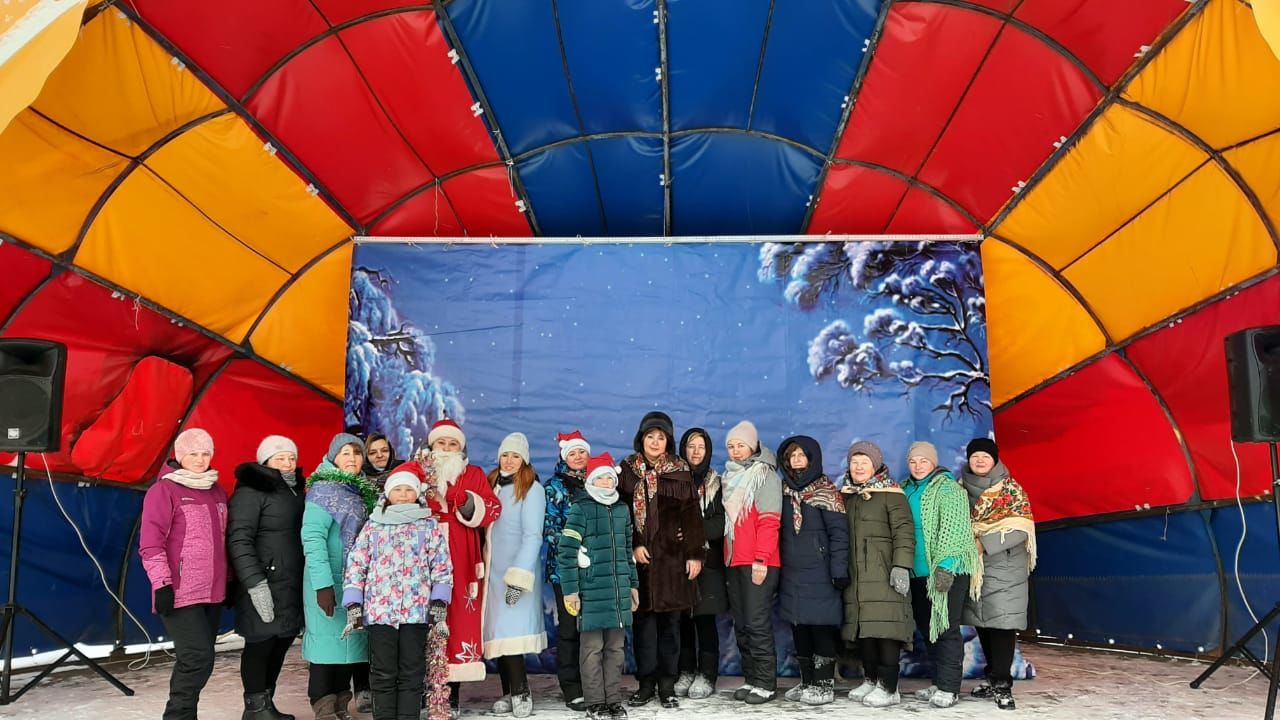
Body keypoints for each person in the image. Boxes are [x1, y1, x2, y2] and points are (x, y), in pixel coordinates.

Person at [342, 462, 453, 720]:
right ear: (388, 494)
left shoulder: (428, 526)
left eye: (408, 490)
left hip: (415, 613)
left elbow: (442, 567)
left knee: (412, 673)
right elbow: (357, 564)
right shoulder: (374, 526)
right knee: (382, 673)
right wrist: (354, 602)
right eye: (398, 489)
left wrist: (438, 603)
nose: (403, 495)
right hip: (381, 613)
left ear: (417, 493)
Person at [139, 428, 229, 720]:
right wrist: (162, 584)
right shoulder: (163, 490)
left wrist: (230, 581)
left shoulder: (216, 490)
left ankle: (184, 713)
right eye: (193, 454)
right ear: (180, 456)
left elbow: (222, 540)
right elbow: (151, 544)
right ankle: (177, 716)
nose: (200, 460)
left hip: (212, 590)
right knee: (195, 657)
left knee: (202, 659)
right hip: (179, 591)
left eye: (205, 453)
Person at [617, 411, 705, 708]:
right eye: (650, 436)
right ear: (641, 438)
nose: (655, 442)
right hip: (642, 563)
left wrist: (694, 554)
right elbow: (620, 514)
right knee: (644, 629)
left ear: (668, 441)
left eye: (661, 437)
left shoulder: (680, 470)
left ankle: (667, 685)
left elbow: (692, 515)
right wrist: (633, 545)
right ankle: (645, 685)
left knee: (670, 628)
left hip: (672, 562)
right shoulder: (626, 471)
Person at [417, 418, 503, 717]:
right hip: (420, 556)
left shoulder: (474, 474)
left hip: (461, 557)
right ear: (432, 445)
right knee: (422, 619)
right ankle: (419, 691)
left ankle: (449, 695)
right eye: (442, 442)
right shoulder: (417, 471)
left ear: (461, 448)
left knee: (456, 620)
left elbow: (493, 509)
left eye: (453, 444)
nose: (447, 448)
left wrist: (466, 501)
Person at [228, 435, 307, 720]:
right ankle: (255, 708)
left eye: (291, 457)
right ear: (265, 461)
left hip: (290, 582)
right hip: (263, 582)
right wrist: (254, 583)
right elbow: (239, 540)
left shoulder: (296, 491)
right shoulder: (250, 492)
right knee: (260, 643)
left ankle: (266, 702)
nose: (287, 463)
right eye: (279, 458)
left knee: (281, 640)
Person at [301, 433, 378, 720]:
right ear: (333, 456)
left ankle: (340, 705)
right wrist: (323, 584)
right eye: (345, 452)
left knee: (349, 643)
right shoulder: (323, 491)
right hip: (329, 581)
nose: (352, 458)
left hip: (355, 582)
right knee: (326, 646)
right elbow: (312, 538)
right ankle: (323, 706)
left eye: (357, 453)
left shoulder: (358, 490)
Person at [558, 452, 639, 720]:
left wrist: (633, 586)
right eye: (600, 477)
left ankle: (613, 700)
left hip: (617, 593)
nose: (606, 482)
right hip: (591, 593)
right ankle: (595, 702)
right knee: (592, 649)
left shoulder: (622, 510)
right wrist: (571, 591)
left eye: (609, 477)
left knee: (615, 649)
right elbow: (566, 552)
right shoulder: (581, 508)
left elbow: (628, 551)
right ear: (591, 481)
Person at [960, 438, 1036, 711]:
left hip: (1004, 568)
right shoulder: (959, 489)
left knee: (1002, 625)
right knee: (982, 621)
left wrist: (983, 543)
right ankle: (993, 677)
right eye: (975, 456)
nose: (980, 460)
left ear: (994, 460)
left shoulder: (1010, 490)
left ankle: (1003, 684)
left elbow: (1021, 527)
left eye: (985, 456)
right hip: (975, 569)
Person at [902, 441, 980, 709]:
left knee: (945, 628)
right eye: (913, 461)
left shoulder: (949, 489)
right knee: (928, 629)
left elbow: (957, 533)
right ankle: (938, 681)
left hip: (947, 571)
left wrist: (945, 567)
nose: (918, 466)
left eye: (923, 461)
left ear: (933, 462)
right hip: (917, 573)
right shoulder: (905, 489)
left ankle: (949, 687)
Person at [839, 440, 914, 708]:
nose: (859, 467)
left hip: (883, 572)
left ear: (876, 465)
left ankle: (889, 686)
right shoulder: (846, 495)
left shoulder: (892, 494)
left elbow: (904, 531)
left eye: (864, 463)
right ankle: (870, 680)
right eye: (854, 462)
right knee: (865, 632)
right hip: (857, 575)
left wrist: (901, 565)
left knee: (886, 630)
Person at [775, 435, 848, 706]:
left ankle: (824, 684)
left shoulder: (826, 491)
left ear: (812, 458)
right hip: (791, 571)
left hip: (820, 572)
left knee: (821, 628)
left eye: (801, 455)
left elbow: (839, 534)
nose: (796, 460)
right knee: (799, 628)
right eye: (791, 456)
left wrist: (838, 569)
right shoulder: (782, 490)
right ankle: (807, 681)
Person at [483, 433, 548, 718]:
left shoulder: (531, 489)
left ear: (524, 460)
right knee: (499, 636)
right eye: (505, 455)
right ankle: (508, 692)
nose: (509, 461)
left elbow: (533, 536)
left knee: (512, 635)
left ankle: (522, 691)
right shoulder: (491, 484)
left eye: (516, 456)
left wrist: (518, 578)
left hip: (515, 573)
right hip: (491, 574)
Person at [721, 421, 782, 705]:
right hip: (735, 561)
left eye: (741, 446)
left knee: (757, 624)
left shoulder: (765, 475)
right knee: (742, 624)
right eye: (731, 446)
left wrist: (761, 558)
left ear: (753, 446)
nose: (736, 451)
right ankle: (751, 679)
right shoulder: (729, 476)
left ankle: (766, 683)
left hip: (760, 561)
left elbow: (770, 521)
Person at [674, 428, 726, 700]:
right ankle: (685, 671)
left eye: (701, 447)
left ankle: (707, 675)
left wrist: (693, 530)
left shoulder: (716, 483)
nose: (696, 452)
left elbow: (720, 524)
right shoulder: (670, 480)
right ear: (683, 449)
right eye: (691, 446)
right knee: (682, 620)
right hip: (676, 563)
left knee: (705, 621)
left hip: (708, 563)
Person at [543, 430, 591, 710]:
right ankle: (571, 686)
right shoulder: (554, 487)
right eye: (572, 453)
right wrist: (577, 547)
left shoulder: (600, 482)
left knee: (593, 630)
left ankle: (592, 682)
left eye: (581, 452)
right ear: (564, 456)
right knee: (570, 628)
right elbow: (549, 529)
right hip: (565, 571)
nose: (577, 457)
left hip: (594, 571)